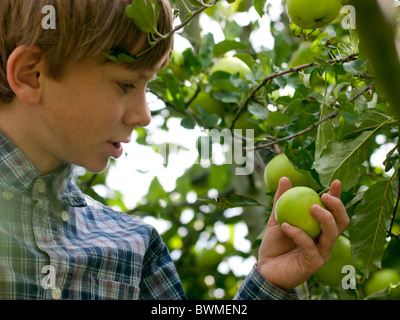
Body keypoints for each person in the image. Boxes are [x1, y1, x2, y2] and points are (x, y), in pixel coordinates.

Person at [0, 0, 349, 300]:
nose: (144, 116)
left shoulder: (133, 249)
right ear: (33, 75)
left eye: (147, 86)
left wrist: (270, 281)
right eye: (125, 84)